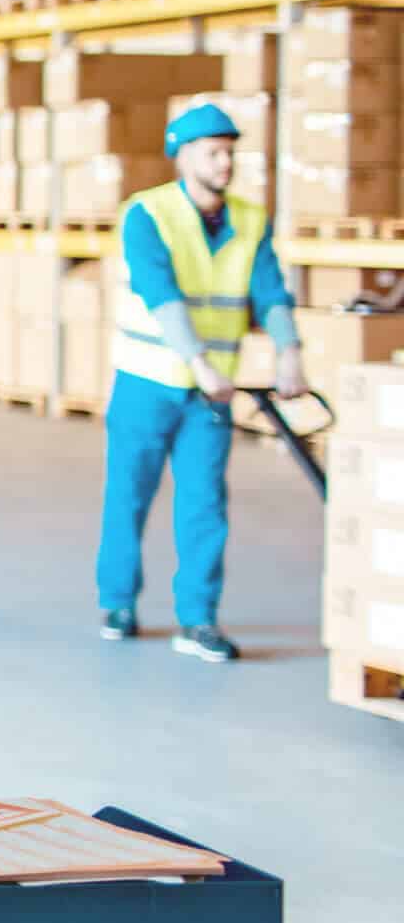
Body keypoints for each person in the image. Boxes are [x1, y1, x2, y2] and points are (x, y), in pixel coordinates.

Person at [95, 100, 305, 663]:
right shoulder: (147, 214)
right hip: (146, 382)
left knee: (205, 505)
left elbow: (271, 292)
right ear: (182, 156)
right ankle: (118, 603)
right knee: (129, 496)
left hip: (208, 396)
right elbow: (159, 293)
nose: (225, 163)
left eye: (229, 152)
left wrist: (289, 353)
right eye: (213, 153)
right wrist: (201, 364)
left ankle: (199, 619)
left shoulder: (250, 220)